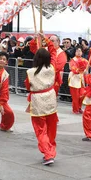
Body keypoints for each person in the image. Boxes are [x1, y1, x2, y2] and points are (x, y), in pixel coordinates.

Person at [25, 34, 60, 166]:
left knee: (41, 130)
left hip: (38, 101)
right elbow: (54, 53)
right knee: (51, 129)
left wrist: (40, 39)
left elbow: (28, 87)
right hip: (50, 99)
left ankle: (48, 153)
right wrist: (46, 41)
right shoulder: (52, 68)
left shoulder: (30, 72)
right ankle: (51, 150)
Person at [68, 47, 88, 114]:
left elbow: (88, 66)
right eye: (77, 51)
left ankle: (79, 107)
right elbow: (74, 70)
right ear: (75, 52)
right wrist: (81, 70)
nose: (79, 52)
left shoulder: (84, 60)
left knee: (82, 94)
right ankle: (75, 109)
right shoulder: (72, 60)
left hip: (81, 79)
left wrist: (85, 70)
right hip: (74, 79)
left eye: (80, 51)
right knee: (75, 96)